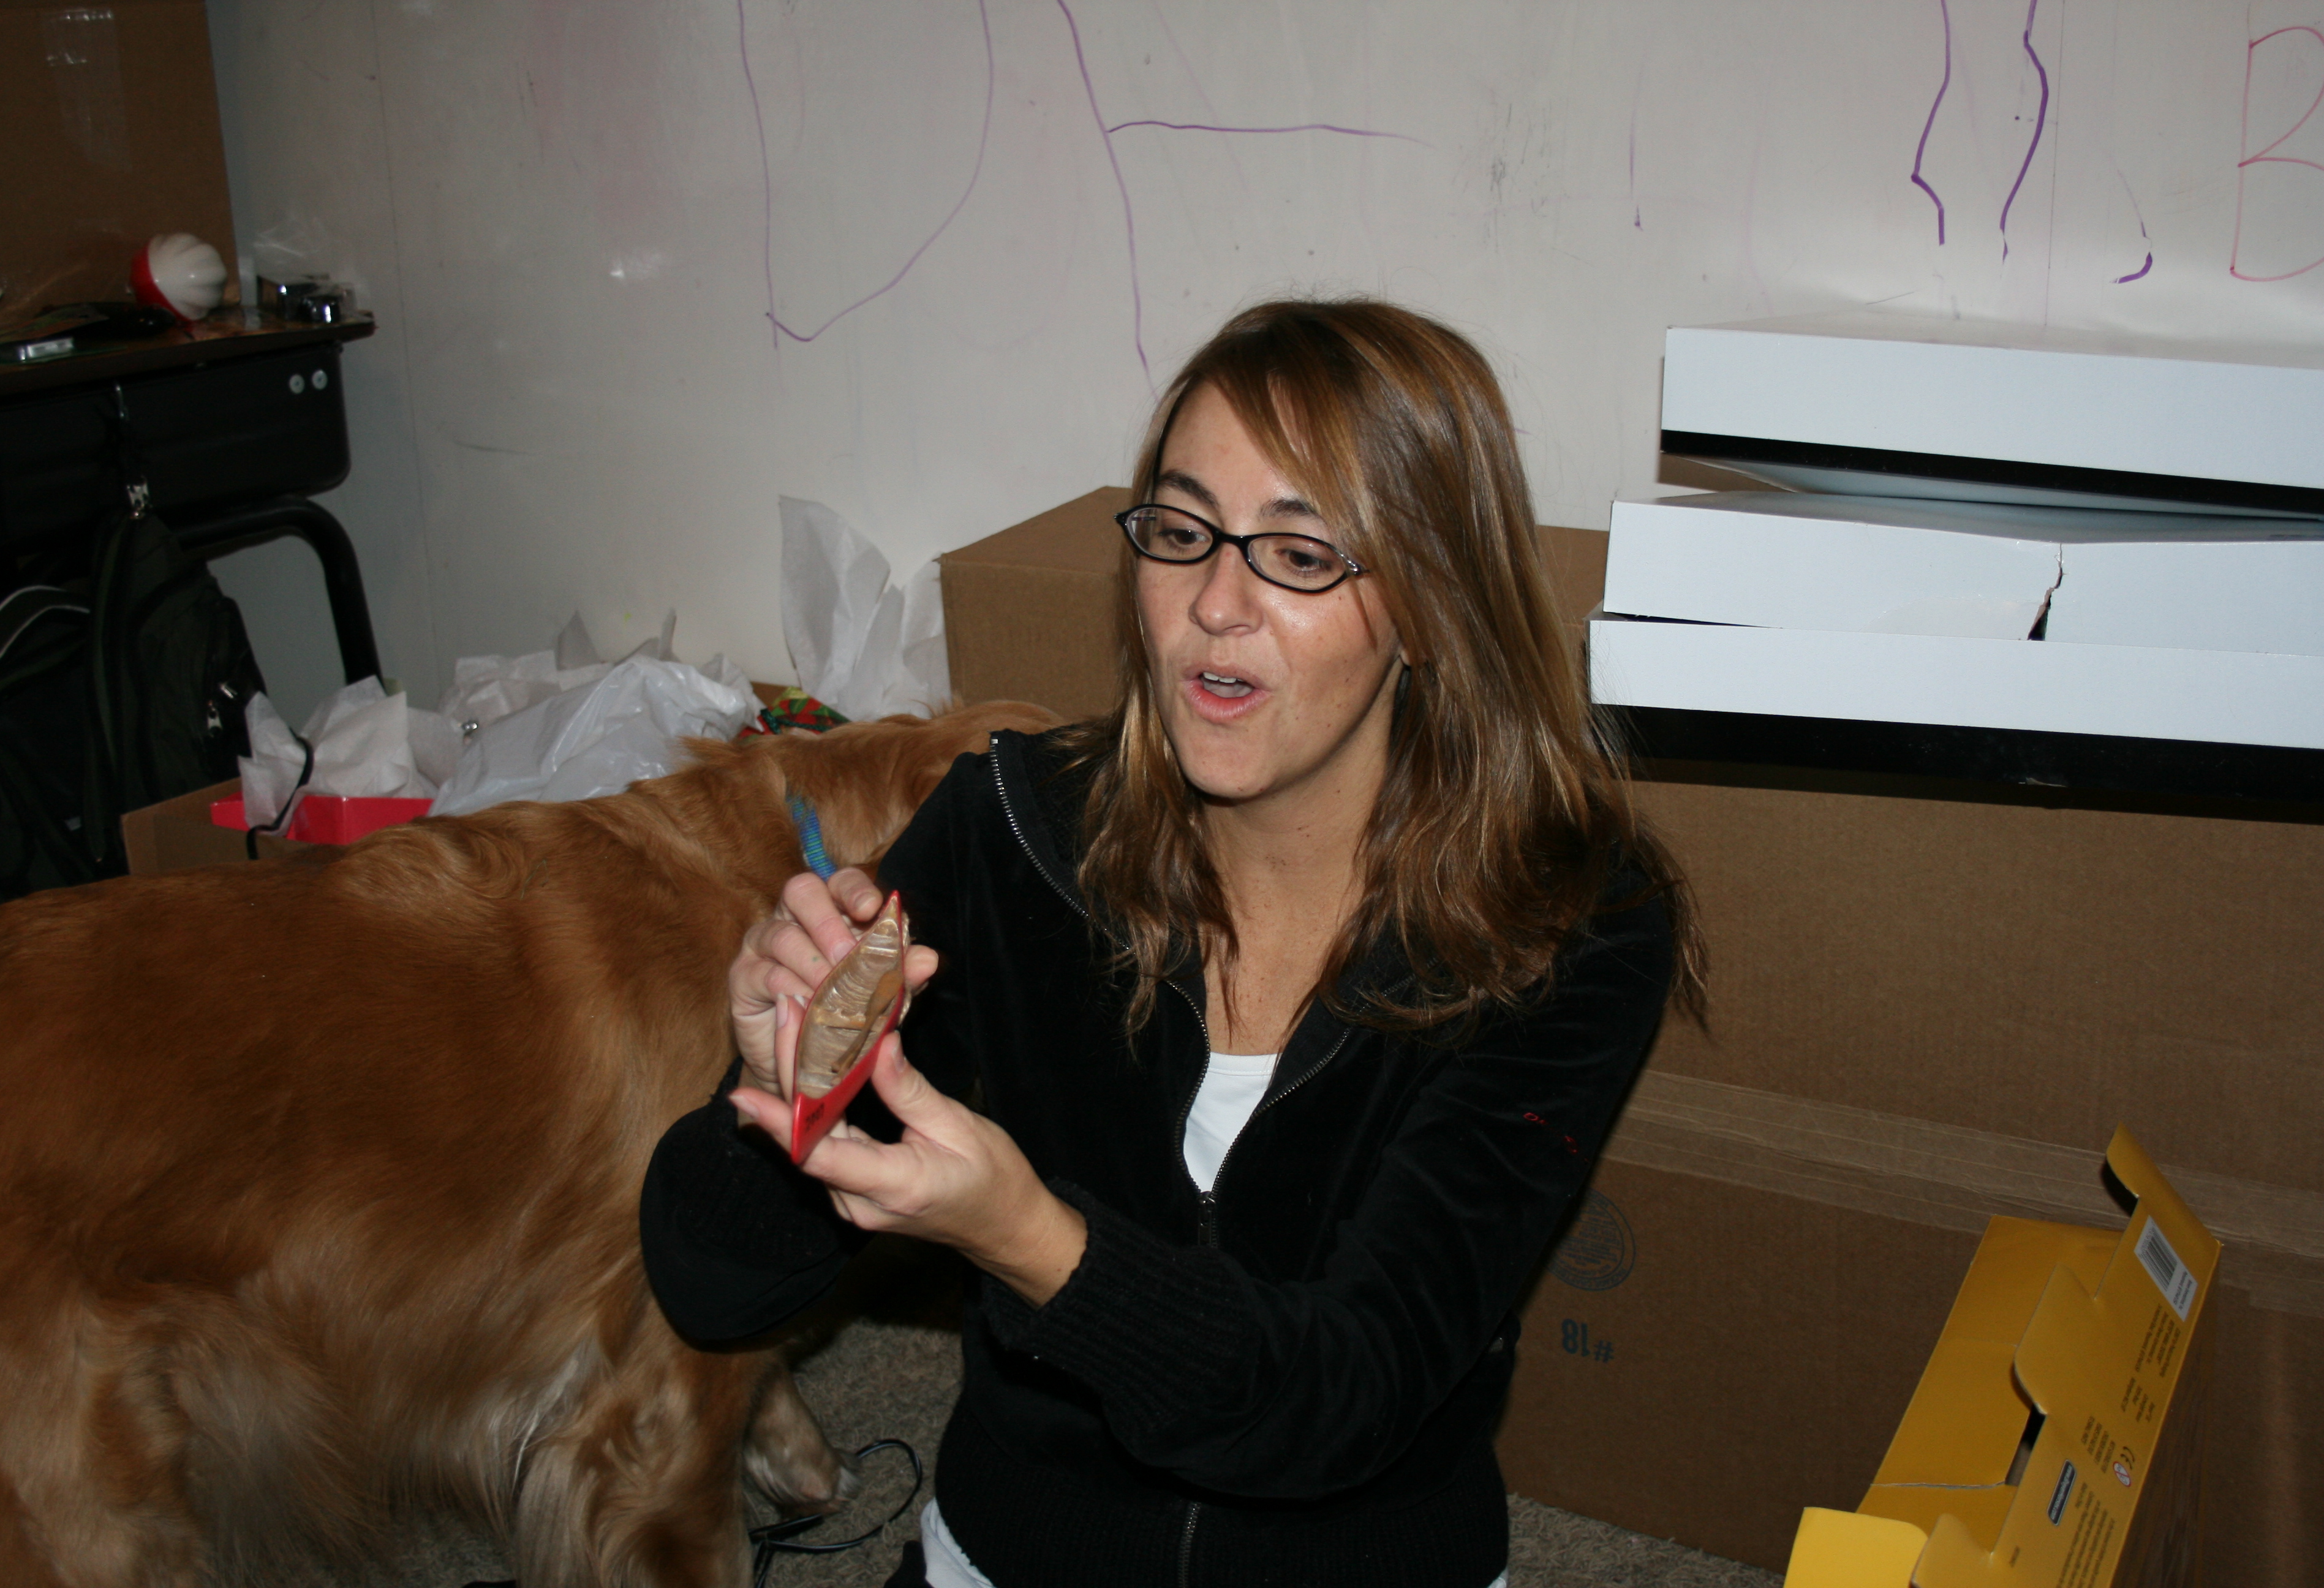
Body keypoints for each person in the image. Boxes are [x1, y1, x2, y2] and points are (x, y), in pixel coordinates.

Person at [641, 298, 1701, 1588]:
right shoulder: (1013, 837)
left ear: (1431, 603)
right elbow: (709, 1284)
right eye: (1183, 532)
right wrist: (785, 1088)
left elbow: (1345, 1396)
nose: (1215, 602)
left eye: (1299, 553)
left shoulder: (1567, 922)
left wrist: (1031, 1239)